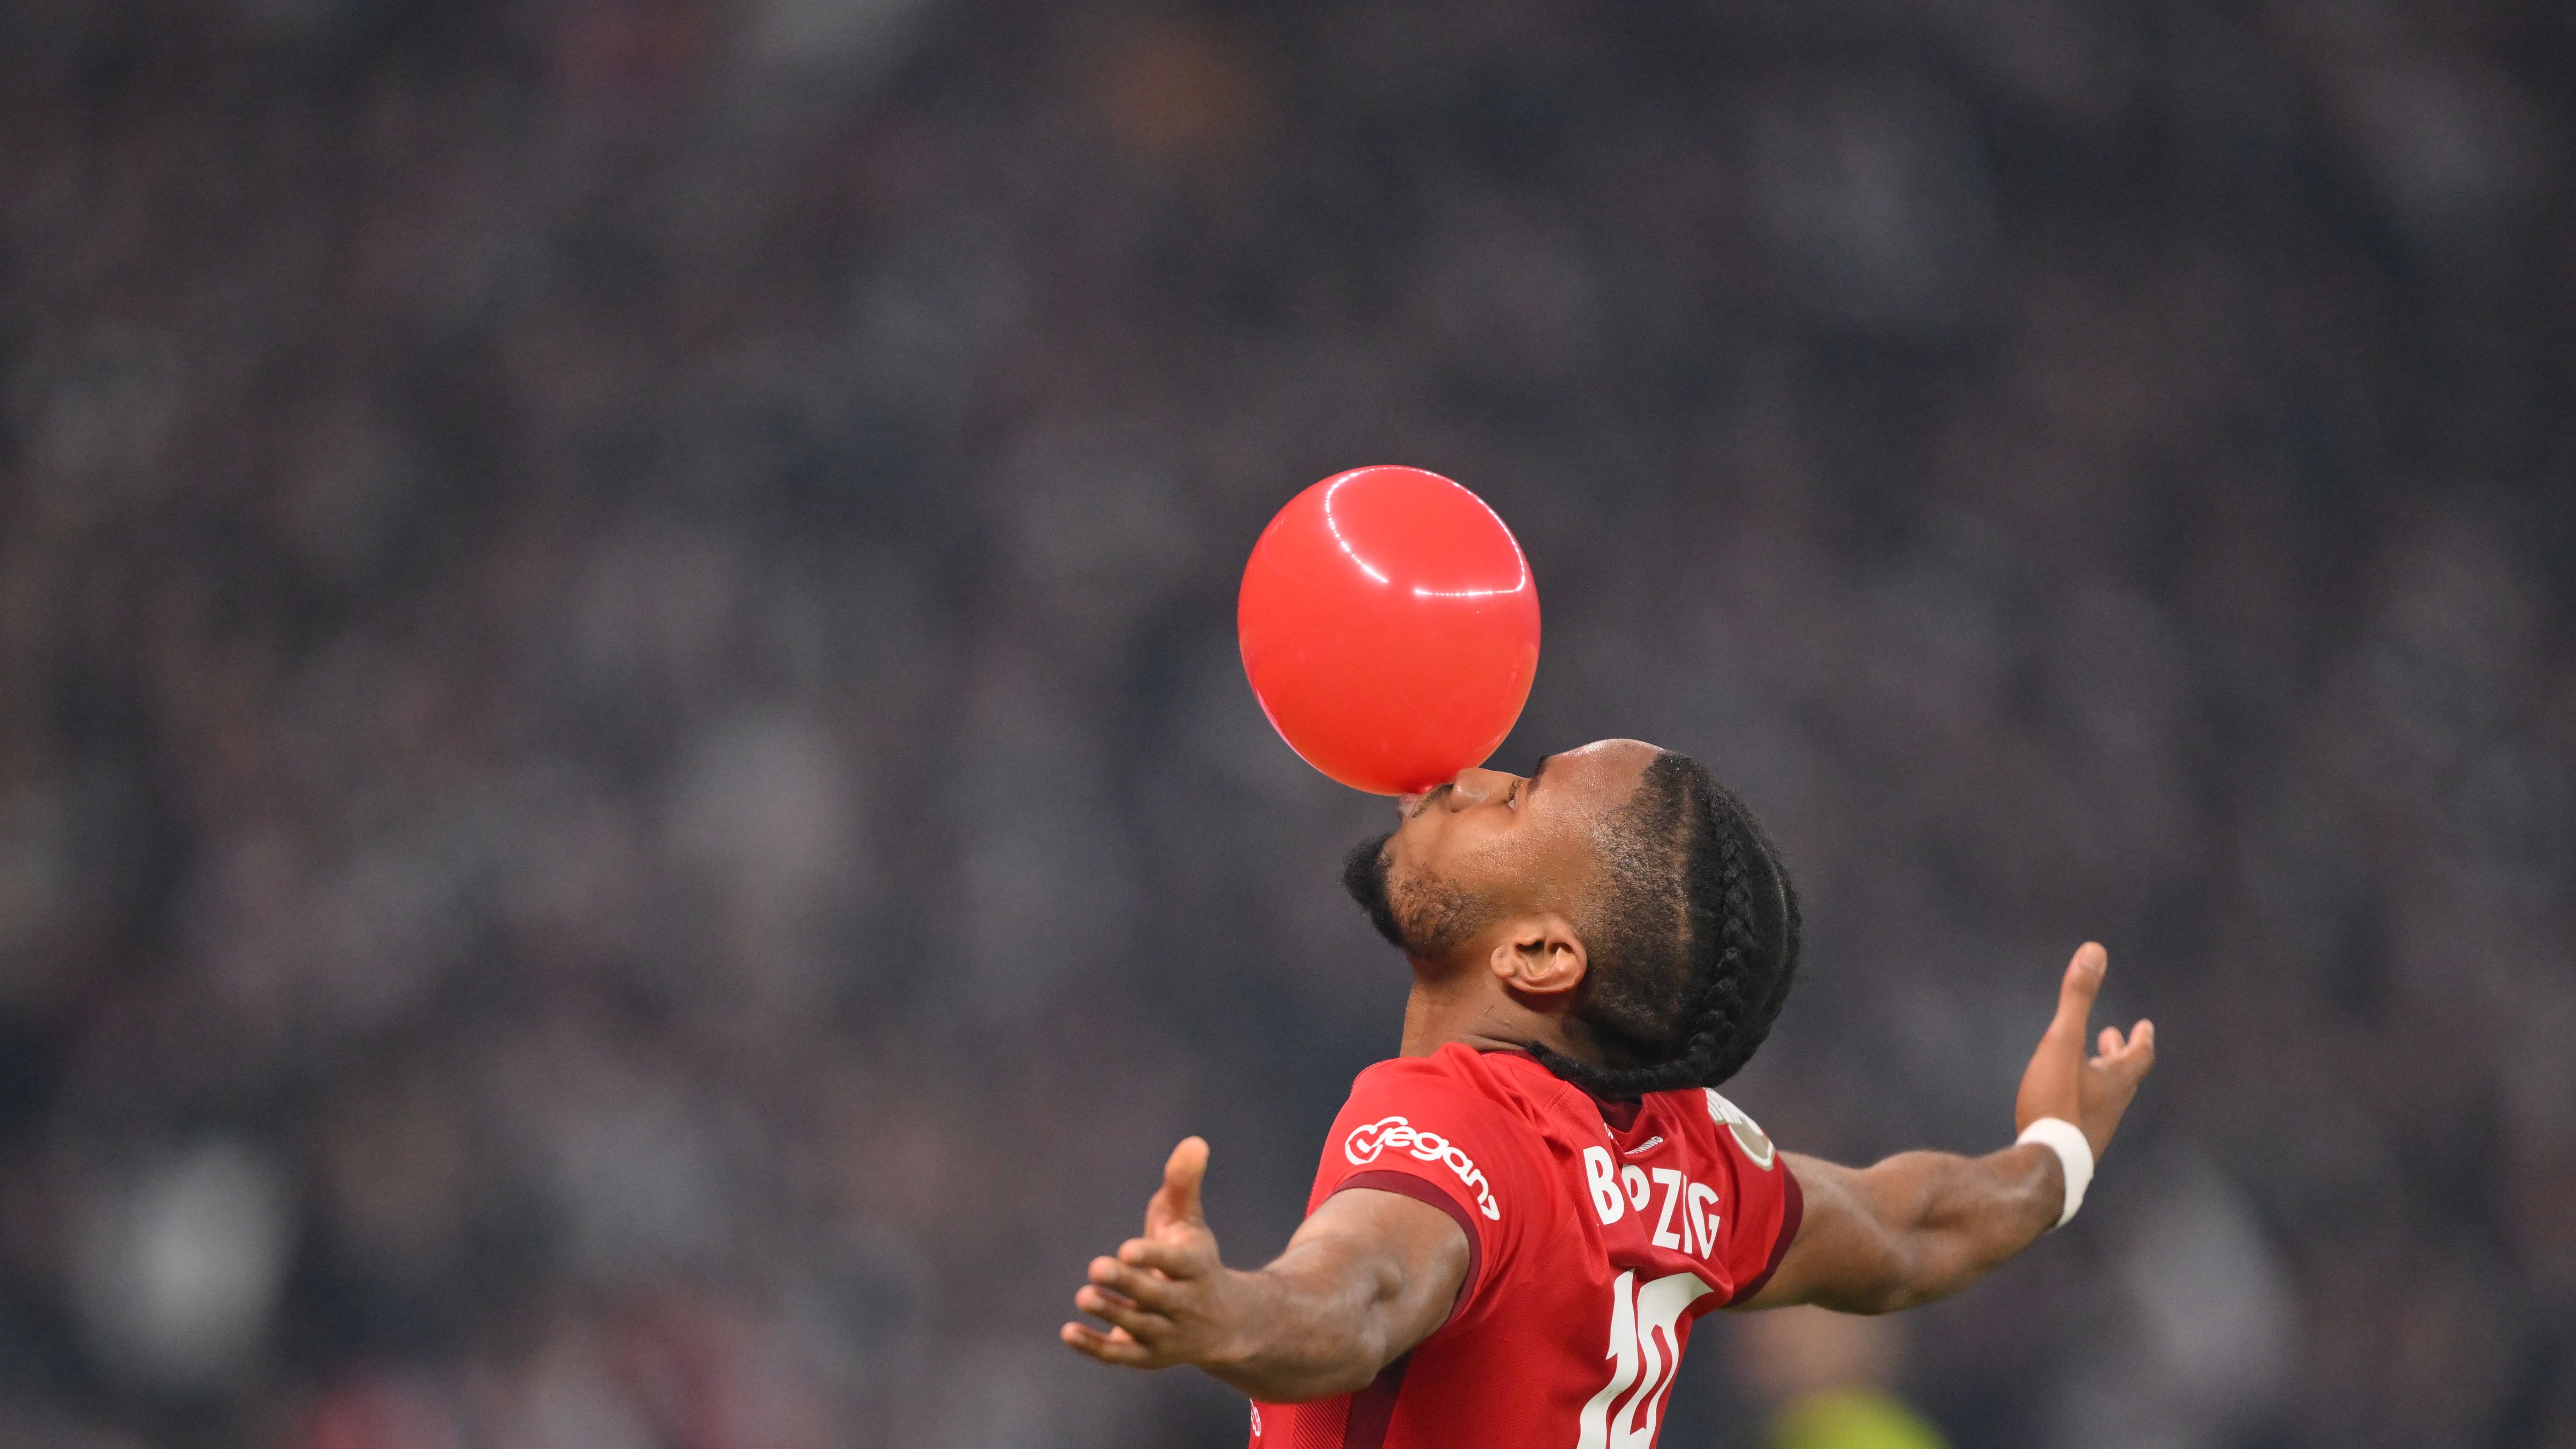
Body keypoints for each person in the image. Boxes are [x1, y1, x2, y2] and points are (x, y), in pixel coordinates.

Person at [1060, 739, 2156, 1448]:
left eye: (1517, 799)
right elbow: (1910, 1227)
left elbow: (1368, 1295)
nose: (1474, 775)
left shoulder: (1462, 1124)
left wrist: (1229, 1316)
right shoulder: (1692, 1158)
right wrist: (2057, 1154)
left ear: (1540, 954)